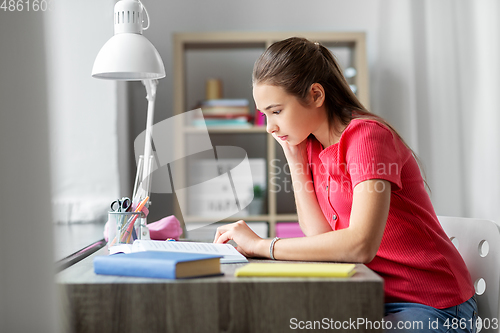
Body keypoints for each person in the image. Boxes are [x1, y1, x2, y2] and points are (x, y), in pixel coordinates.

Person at [213, 37, 477, 332]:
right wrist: (294, 158)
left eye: (276, 111)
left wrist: (263, 246)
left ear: (315, 95)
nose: (269, 127)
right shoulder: (310, 145)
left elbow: (360, 246)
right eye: (265, 115)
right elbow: (320, 236)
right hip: (371, 295)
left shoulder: (366, 137)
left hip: (430, 303)